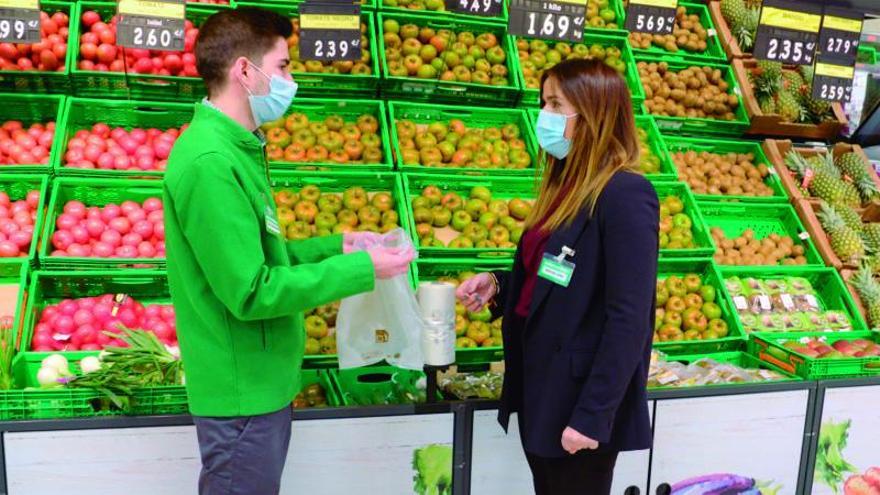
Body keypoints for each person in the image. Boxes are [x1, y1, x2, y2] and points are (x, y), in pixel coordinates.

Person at [163, 7, 414, 495]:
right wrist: (360, 268)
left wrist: (334, 246)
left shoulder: (238, 147)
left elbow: (261, 254)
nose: (289, 79)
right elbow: (252, 292)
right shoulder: (211, 162)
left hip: (260, 382)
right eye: (281, 66)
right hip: (242, 393)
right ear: (243, 70)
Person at [456, 58, 659, 495]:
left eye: (555, 104)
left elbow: (629, 318)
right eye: (543, 102)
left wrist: (593, 414)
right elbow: (554, 274)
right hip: (541, 385)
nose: (543, 116)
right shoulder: (563, 185)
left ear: (592, 114)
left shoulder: (625, 193)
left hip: (578, 399)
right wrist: (498, 284)